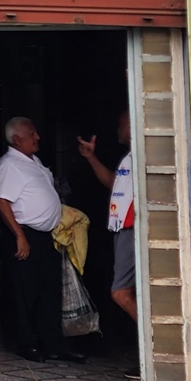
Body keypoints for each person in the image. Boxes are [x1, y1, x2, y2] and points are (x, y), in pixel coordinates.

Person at [0, 117, 84, 364]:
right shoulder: (9, 165)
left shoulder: (33, 161)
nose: (38, 137)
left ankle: (54, 344)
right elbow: (1, 201)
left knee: (49, 292)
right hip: (25, 235)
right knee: (26, 293)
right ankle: (28, 344)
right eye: (32, 134)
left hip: (46, 237)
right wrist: (20, 236)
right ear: (17, 139)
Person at [78, 112, 140, 324]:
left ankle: (154, 341)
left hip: (133, 228)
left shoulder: (142, 156)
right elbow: (114, 183)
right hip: (123, 227)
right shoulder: (129, 158)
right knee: (131, 292)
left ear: (131, 125)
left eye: (120, 124)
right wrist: (90, 157)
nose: (116, 129)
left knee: (120, 293)